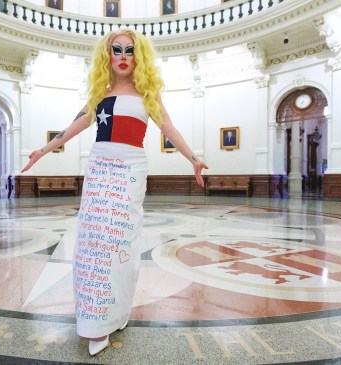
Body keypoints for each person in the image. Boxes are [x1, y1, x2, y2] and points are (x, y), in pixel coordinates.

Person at [21, 28, 208, 356]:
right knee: (93, 244)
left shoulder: (147, 93)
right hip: (100, 169)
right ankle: (95, 321)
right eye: (116, 50)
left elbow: (168, 128)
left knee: (121, 244)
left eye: (129, 50)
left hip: (130, 170)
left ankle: (116, 313)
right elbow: (74, 125)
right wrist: (44, 149)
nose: (122, 56)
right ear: (106, 55)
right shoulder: (100, 92)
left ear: (139, 56)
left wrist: (193, 158)